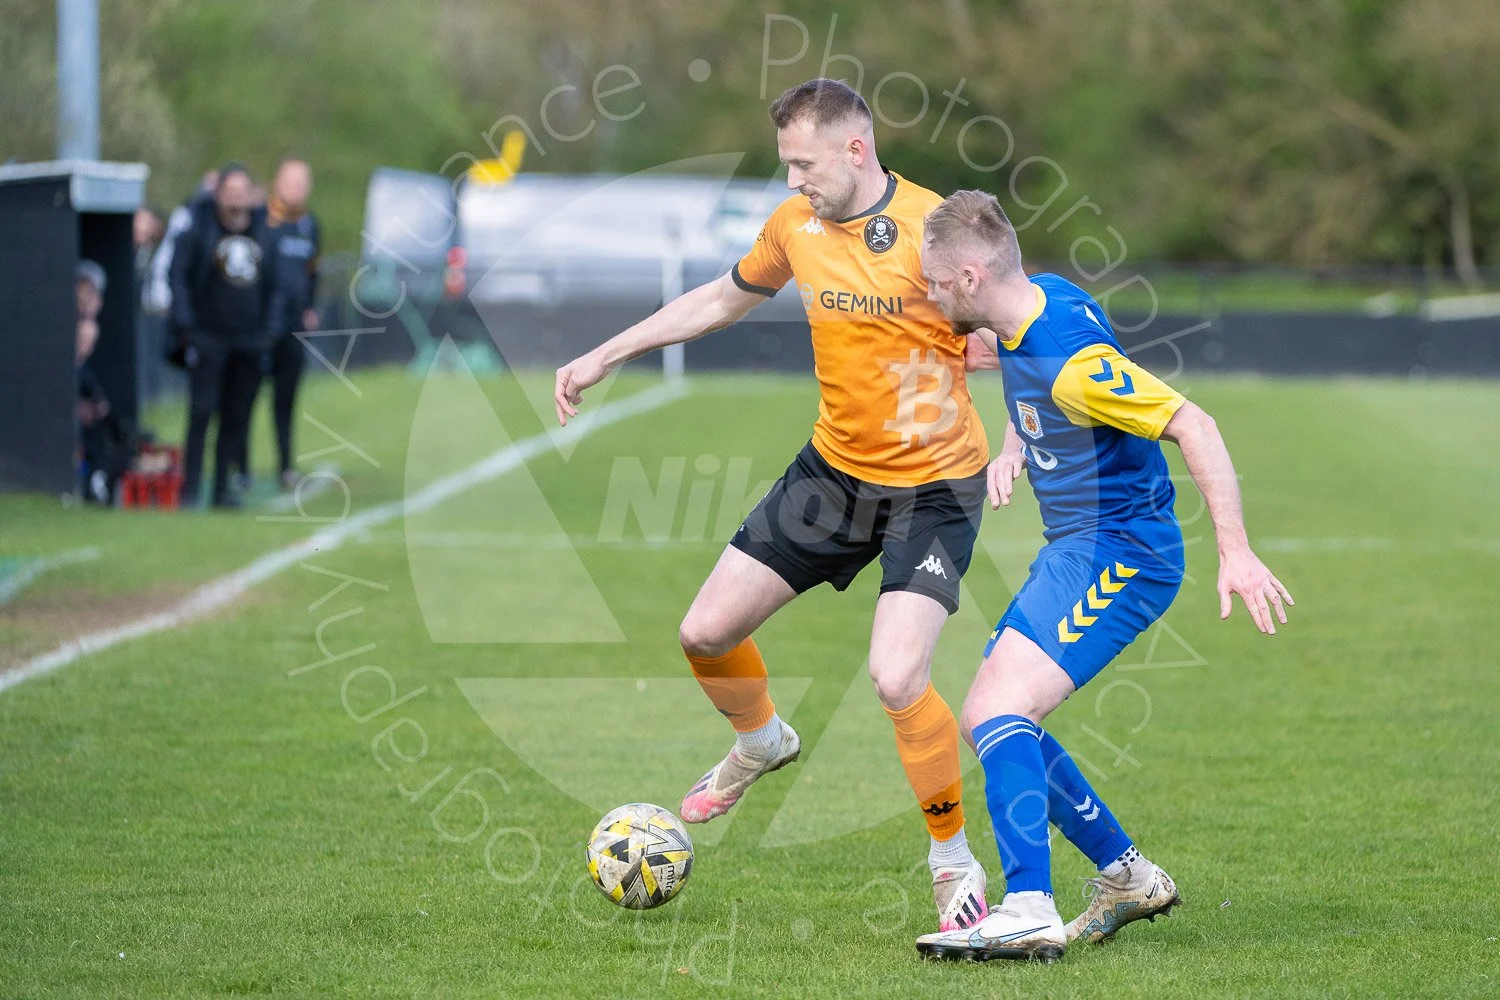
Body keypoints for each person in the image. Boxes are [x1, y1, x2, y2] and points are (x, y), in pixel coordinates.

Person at [554, 79, 993, 932]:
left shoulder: (934, 228)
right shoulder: (796, 226)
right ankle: (761, 740)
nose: (793, 180)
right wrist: (610, 352)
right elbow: (723, 298)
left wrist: (1011, 424)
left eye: (804, 164)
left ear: (856, 150)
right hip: (834, 474)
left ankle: (952, 862)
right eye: (786, 164)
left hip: (934, 489)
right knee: (704, 633)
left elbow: (1020, 324)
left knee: (897, 676)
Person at [911, 190, 1295, 961]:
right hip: (1078, 547)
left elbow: (1193, 423)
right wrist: (1020, 445)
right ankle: (1127, 878)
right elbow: (1029, 377)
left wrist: (1236, 550)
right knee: (994, 717)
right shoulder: (1040, 299)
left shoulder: (1073, 364)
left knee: (996, 710)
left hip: (1123, 552)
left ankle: (1028, 907)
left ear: (973, 276)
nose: (929, 294)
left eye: (936, 282)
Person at [168, 164, 283, 509]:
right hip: (208, 337)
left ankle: (222, 489)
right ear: (217, 194)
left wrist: (269, 332)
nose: (235, 199)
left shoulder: (265, 234)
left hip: (249, 340)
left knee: (235, 416)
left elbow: (278, 286)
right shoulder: (198, 230)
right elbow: (178, 276)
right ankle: (190, 489)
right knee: (201, 412)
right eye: (229, 191)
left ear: (251, 195)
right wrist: (186, 326)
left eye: (241, 192)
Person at [262, 158, 321, 489]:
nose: (297, 189)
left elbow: (312, 271)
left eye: (302, 183)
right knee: (243, 399)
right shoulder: (262, 221)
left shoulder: (310, 225)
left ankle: (285, 466)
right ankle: (238, 468)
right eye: (291, 182)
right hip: (261, 326)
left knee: (285, 399)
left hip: (294, 328)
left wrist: (309, 306)